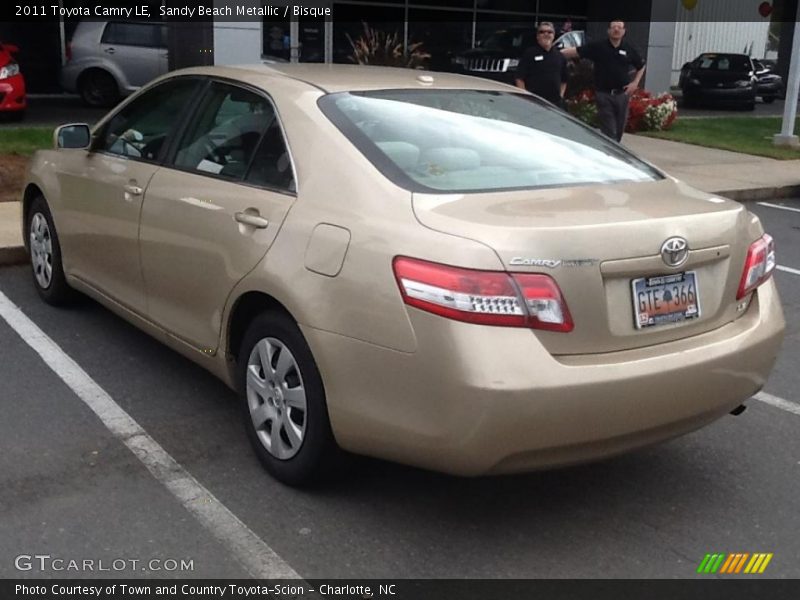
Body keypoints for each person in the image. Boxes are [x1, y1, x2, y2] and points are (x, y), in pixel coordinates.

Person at [562, 20, 645, 141]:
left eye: (619, 27)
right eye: (613, 27)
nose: (616, 29)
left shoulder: (628, 49)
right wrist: (554, 52)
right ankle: (612, 154)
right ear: (608, 31)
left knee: (619, 130)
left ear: (624, 31)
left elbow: (641, 66)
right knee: (609, 131)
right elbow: (576, 51)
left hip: (622, 95)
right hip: (604, 95)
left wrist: (635, 83)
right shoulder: (598, 47)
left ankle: (614, 152)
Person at [515, 22, 568, 106]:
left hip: (555, 104)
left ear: (553, 35)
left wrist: (560, 96)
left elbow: (564, 80)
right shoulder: (529, 53)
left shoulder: (560, 56)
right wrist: (525, 96)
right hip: (534, 102)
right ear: (537, 36)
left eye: (549, 32)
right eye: (542, 32)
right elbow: (519, 78)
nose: (546, 34)